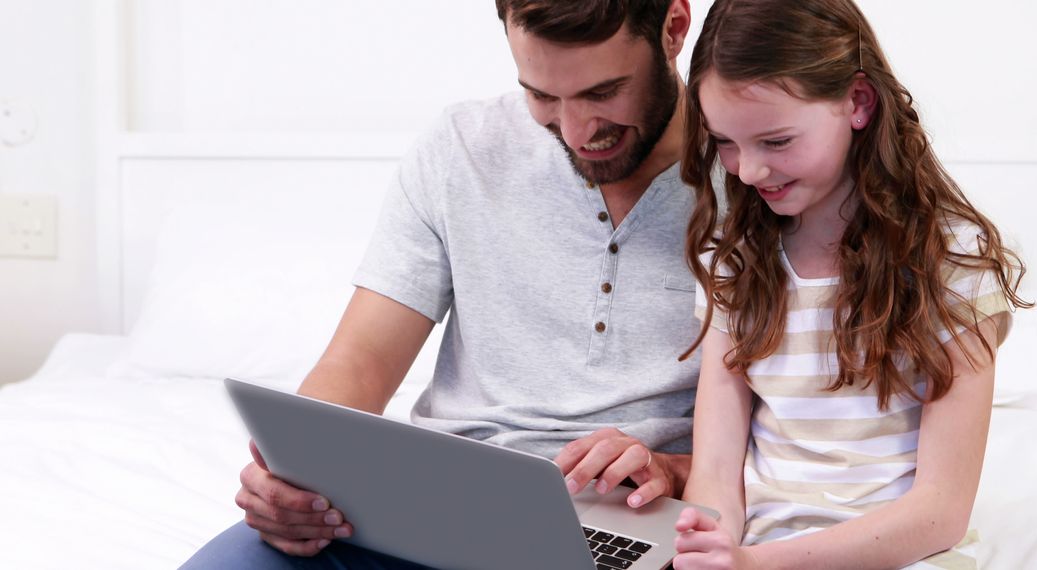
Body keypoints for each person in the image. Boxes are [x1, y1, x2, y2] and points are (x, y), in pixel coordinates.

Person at [183, 1, 705, 568]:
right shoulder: (462, 147)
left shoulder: (762, 171)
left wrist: (674, 470)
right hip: (435, 502)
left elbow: (798, 431)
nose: (577, 132)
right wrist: (297, 473)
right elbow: (360, 362)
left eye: (603, 93)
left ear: (674, 29)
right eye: (542, 96)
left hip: (635, 514)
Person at [670, 0, 1030, 568]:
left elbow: (940, 512)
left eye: (777, 141)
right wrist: (711, 544)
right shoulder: (734, 260)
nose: (748, 171)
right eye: (726, 143)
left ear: (858, 103)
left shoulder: (952, 260)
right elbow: (716, 471)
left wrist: (757, 565)